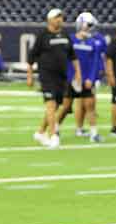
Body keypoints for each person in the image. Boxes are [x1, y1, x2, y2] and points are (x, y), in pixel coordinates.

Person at [27, 8, 82, 149]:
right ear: (50, 20)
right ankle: (53, 135)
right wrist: (30, 76)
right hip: (47, 76)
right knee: (51, 105)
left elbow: (73, 56)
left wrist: (78, 73)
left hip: (61, 77)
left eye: (61, 17)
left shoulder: (65, 35)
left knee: (56, 105)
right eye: (57, 17)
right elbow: (31, 58)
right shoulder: (42, 36)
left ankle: (40, 132)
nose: (60, 20)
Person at [70, 12, 103, 143]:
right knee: (66, 106)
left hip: (89, 76)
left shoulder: (97, 39)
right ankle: (55, 130)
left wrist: (95, 75)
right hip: (74, 77)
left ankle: (93, 133)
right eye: (89, 24)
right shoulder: (73, 39)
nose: (91, 27)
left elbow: (100, 57)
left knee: (90, 104)